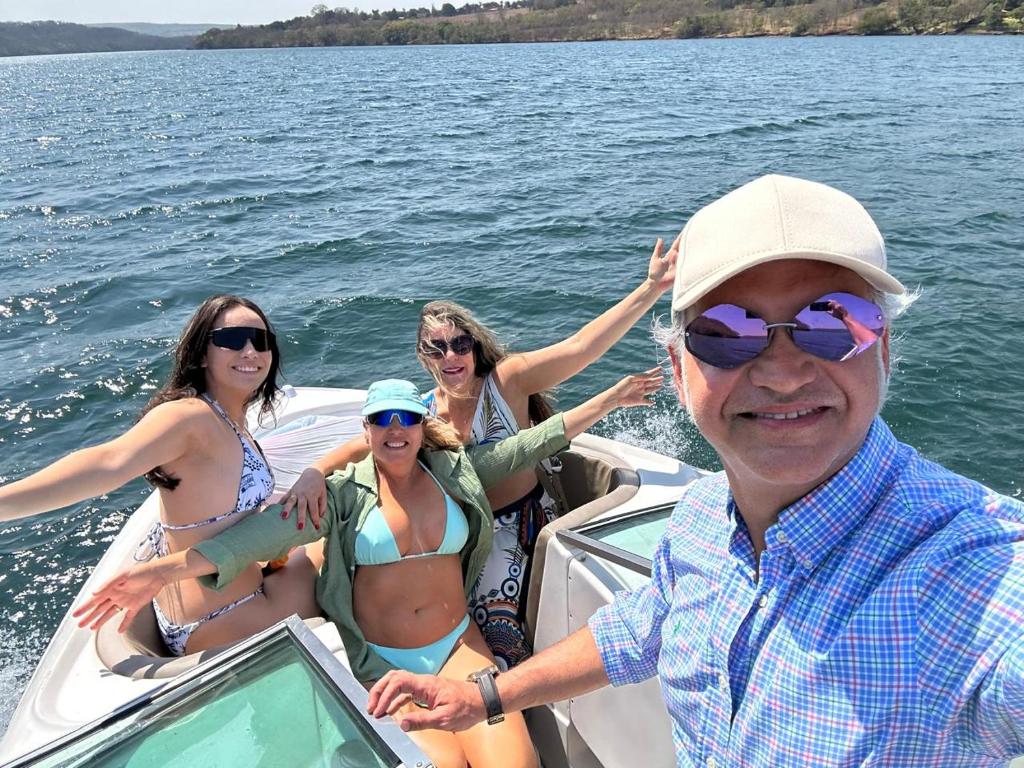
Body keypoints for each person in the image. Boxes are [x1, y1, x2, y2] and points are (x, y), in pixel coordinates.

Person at [365, 174, 1024, 766]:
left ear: (883, 350)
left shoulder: (975, 573)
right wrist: (484, 696)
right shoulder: (703, 517)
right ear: (680, 373)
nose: (784, 371)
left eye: (833, 322)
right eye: (729, 332)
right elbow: (644, 625)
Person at [74, 371, 662, 768]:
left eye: (406, 419)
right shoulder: (339, 497)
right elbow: (255, 538)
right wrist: (164, 571)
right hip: (386, 666)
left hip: (462, 649)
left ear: (420, 423)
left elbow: (530, 445)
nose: (395, 431)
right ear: (367, 431)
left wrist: (607, 401)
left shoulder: (456, 474)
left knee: (516, 763)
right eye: (381, 421)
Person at [279, 237, 680, 669]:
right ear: (422, 356)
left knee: (493, 635)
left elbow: (582, 347)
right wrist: (313, 473)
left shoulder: (508, 381)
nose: (450, 355)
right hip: (461, 531)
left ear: (474, 347)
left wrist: (652, 288)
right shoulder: (426, 414)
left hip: (517, 527)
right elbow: (362, 446)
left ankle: (501, 698)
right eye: (436, 347)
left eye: (459, 344)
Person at [0, 295, 321, 656]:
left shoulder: (229, 419)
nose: (250, 351)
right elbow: (108, 462)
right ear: (202, 353)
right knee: (347, 549)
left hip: (201, 610)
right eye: (232, 339)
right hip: (227, 618)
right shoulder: (189, 417)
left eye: (261, 341)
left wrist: (313, 474)